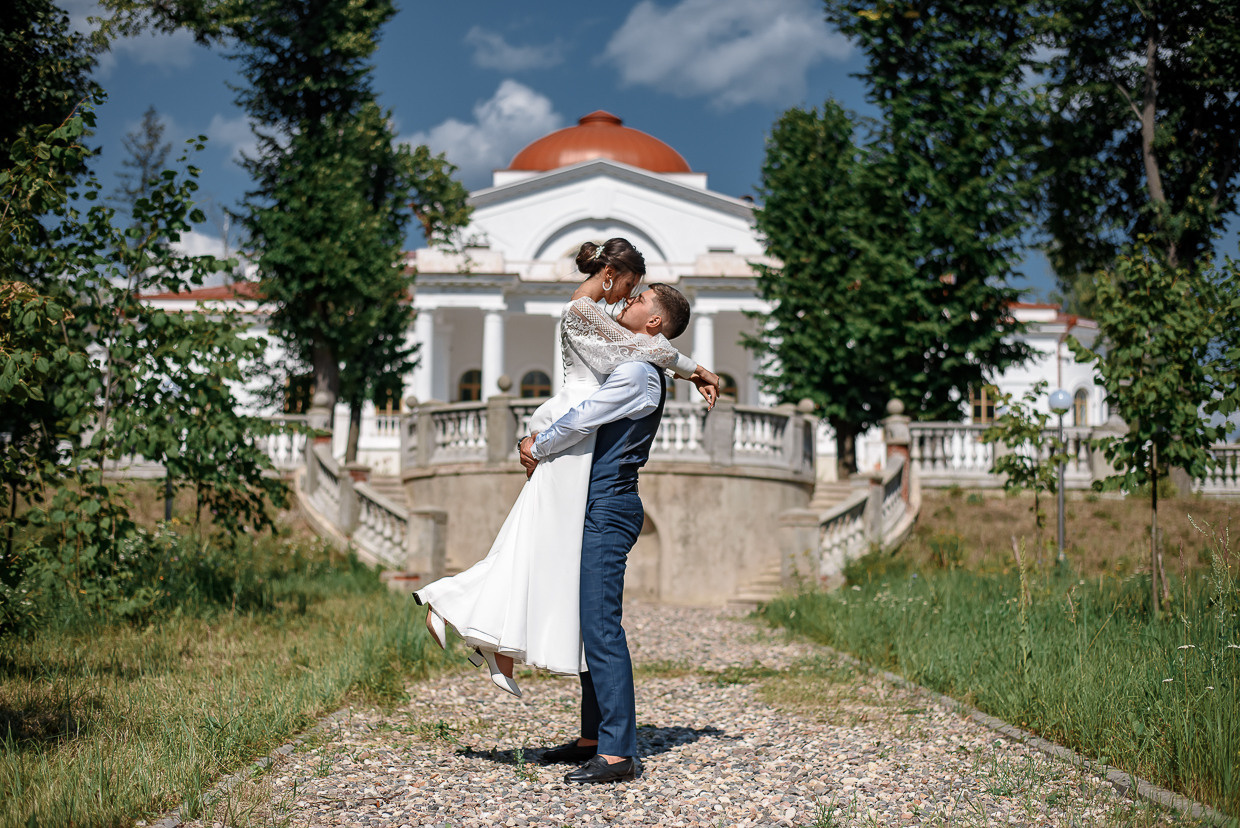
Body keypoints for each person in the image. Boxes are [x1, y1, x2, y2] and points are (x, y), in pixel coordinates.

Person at [412, 239, 719, 696]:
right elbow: (643, 350)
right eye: (631, 286)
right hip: (573, 434)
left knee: (539, 543)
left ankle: (493, 639)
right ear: (613, 274)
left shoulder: (598, 313)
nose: (628, 298)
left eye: (637, 294)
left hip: (578, 436)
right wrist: (695, 370)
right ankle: (456, 606)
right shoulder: (583, 312)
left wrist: (690, 370)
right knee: (540, 542)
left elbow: (645, 345)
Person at [521, 283, 692, 784]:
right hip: (592, 501)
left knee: (600, 623)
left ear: (655, 322)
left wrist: (538, 445)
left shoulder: (639, 374)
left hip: (609, 505)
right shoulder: (633, 361)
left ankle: (618, 752)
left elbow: (583, 419)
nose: (626, 303)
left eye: (638, 300)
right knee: (585, 620)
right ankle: (593, 736)